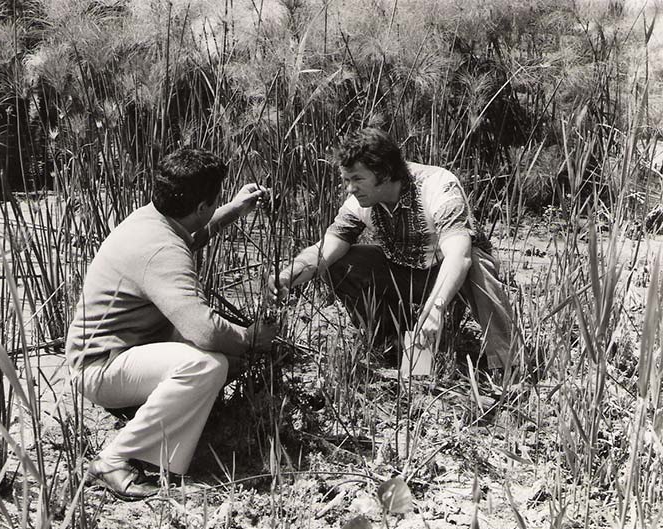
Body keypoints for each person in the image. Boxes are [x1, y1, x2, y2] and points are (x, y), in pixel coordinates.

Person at [66, 148, 277, 500]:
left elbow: (188, 235)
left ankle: (154, 415)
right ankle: (112, 460)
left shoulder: (151, 219)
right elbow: (204, 329)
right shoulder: (161, 250)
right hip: (100, 369)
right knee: (208, 364)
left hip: (123, 352)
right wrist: (251, 338)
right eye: (213, 204)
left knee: (226, 360)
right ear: (199, 208)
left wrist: (233, 211)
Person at [269, 127, 516, 372]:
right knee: (339, 263)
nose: (350, 189)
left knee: (474, 260)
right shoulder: (358, 202)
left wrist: (436, 309)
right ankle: (392, 342)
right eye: (347, 180)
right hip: (403, 273)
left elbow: (458, 257)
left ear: (385, 173)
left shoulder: (438, 185)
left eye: (357, 179)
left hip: (454, 278)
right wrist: (290, 274)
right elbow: (326, 250)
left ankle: (508, 363)